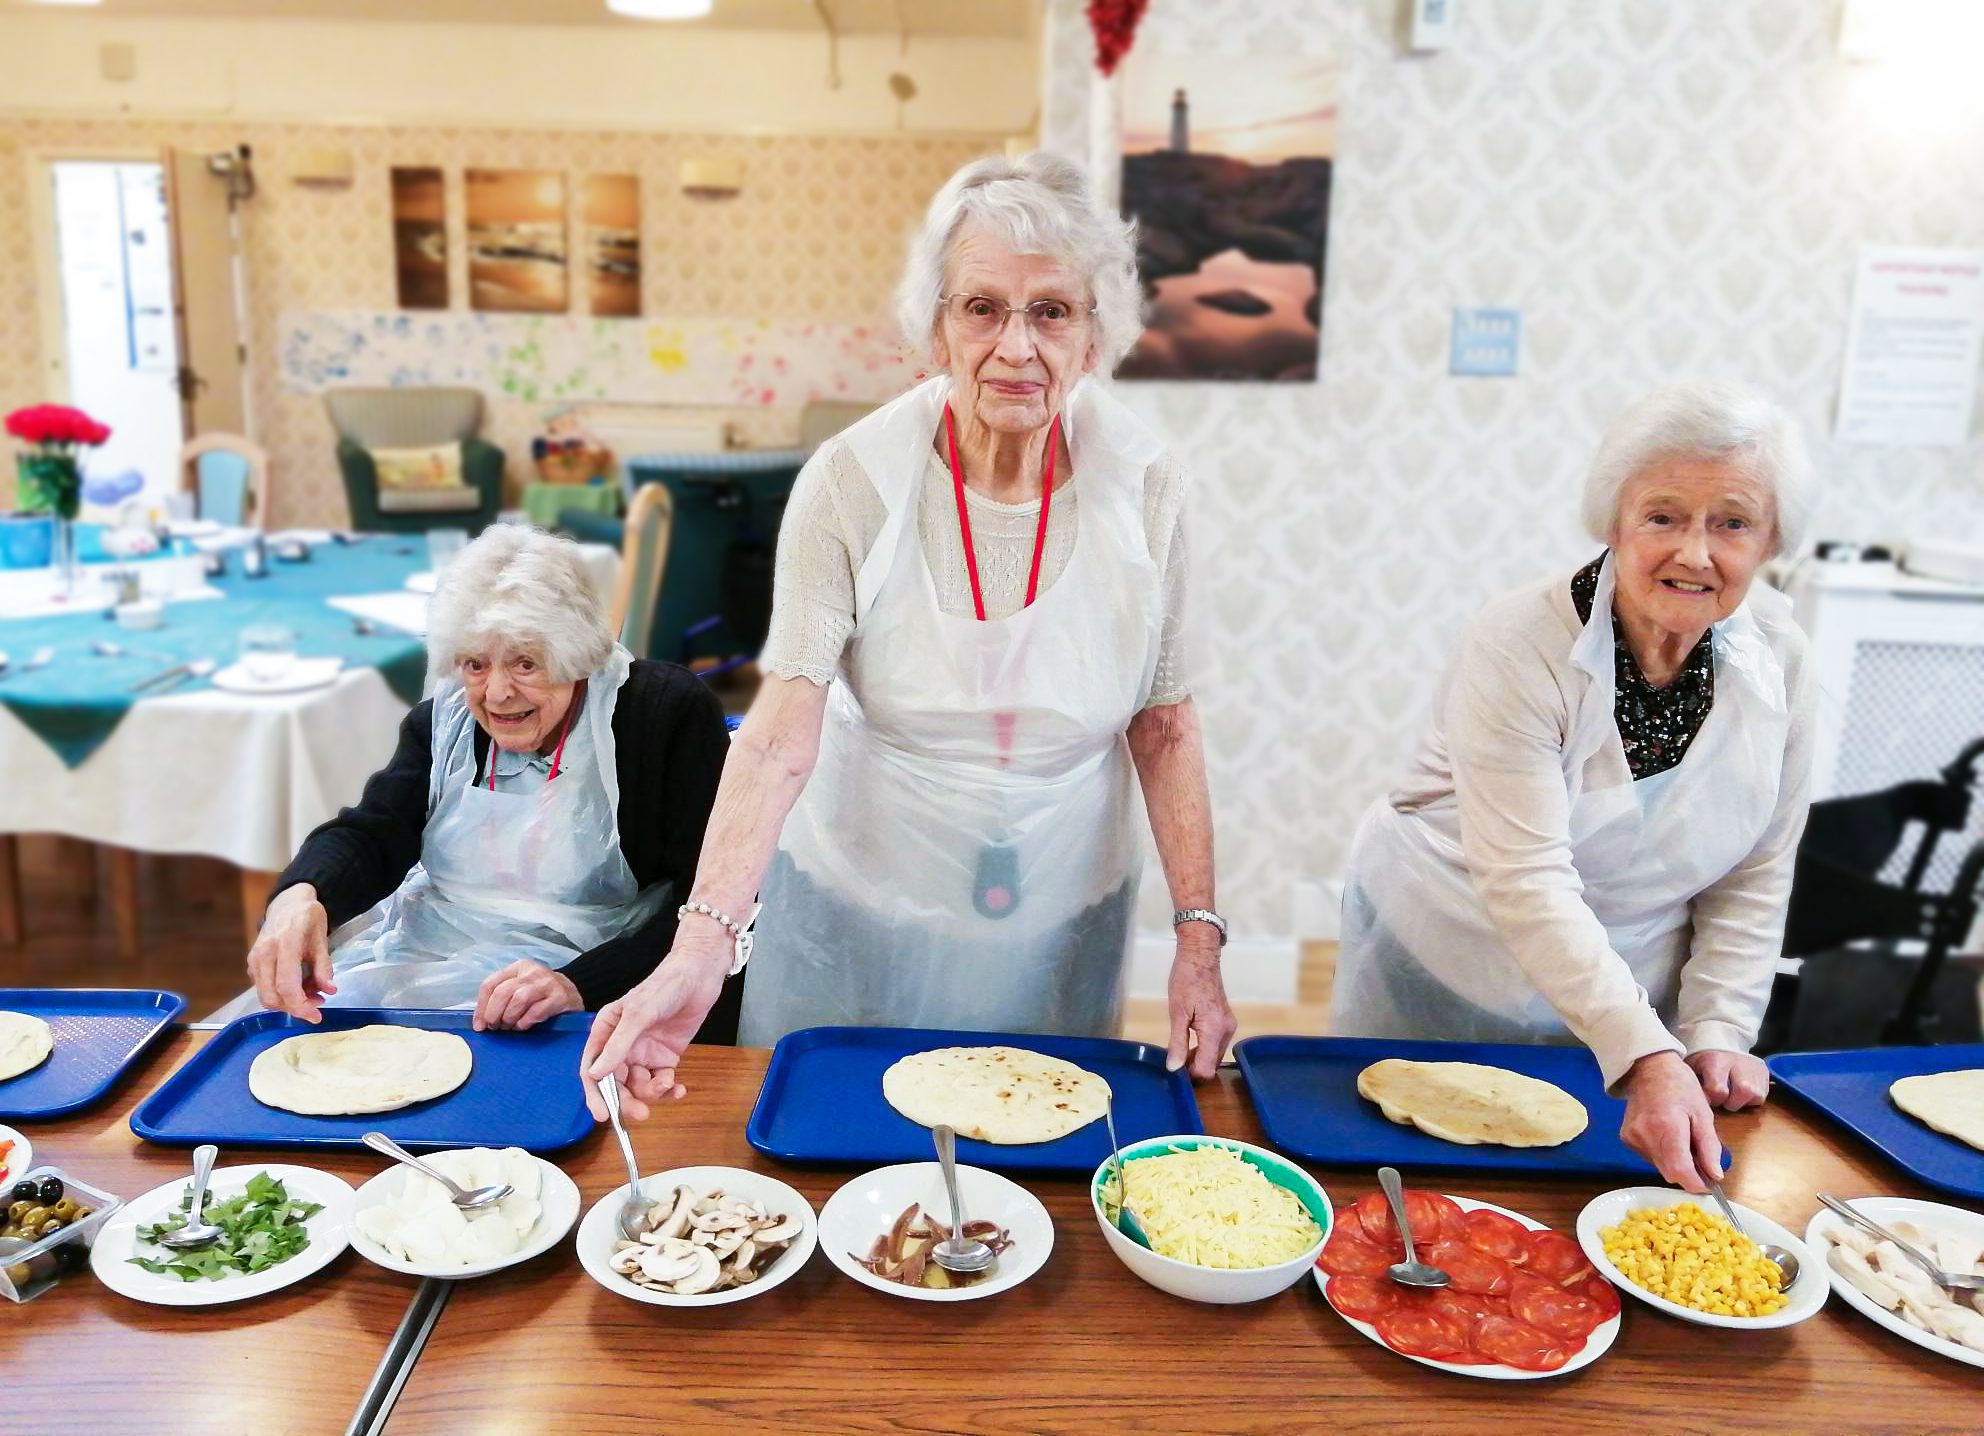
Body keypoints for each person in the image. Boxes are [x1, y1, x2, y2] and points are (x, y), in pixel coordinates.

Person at [580, 152, 1236, 1120]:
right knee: (842, 1130)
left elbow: (1166, 725)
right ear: (933, 326)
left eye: (1051, 310)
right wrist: (701, 941)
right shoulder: (854, 477)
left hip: (1062, 887)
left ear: (1096, 336)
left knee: (1032, 1135)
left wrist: (1198, 945)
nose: (1016, 345)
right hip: (867, 877)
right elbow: (777, 727)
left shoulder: (1147, 482)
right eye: (981, 307)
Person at [1330, 379, 1817, 1192]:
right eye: (1663, 516)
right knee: (1408, 1185)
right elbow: (1527, 880)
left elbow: (1757, 866)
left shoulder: (1785, 659)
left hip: (1629, 982)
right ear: (1615, 522)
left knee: (1574, 1200)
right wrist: (1646, 1052)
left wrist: (1716, 1028)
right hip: (1455, 942)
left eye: (1732, 523)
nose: (1695, 553)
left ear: (1770, 544)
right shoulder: (1520, 643)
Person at [234, 524, 735, 1037]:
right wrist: (302, 894)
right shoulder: (444, 722)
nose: (496, 694)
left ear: (577, 653)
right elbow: (373, 833)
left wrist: (578, 984)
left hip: (611, 972)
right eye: (475, 663)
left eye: (526, 663)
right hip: (438, 953)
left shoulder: (662, 715)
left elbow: (713, 902)